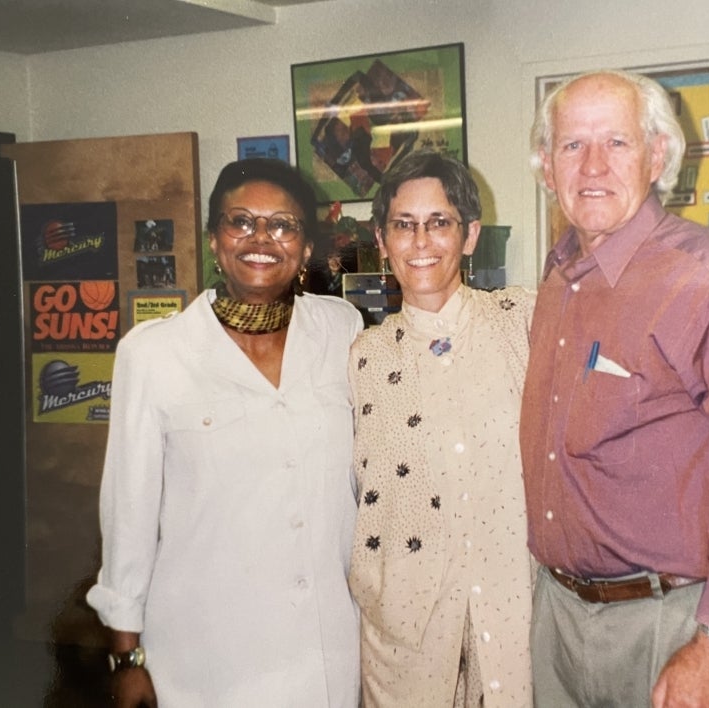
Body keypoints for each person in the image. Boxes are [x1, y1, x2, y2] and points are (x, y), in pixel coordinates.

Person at [521, 69, 709, 707]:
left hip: (680, 622)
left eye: (618, 143)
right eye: (573, 145)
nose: (593, 165)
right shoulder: (558, 280)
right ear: (546, 166)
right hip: (562, 621)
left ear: (658, 156)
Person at [86, 159, 364, 707]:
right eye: (241, 221)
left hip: (325, 645)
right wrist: (126, 655)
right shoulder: (153, 354)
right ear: (215, 240)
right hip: (206, 653)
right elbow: (129, 513)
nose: (262, 238)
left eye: (283, 224)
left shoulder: (341, 329)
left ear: (306, 247)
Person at [348, 150, 536, 707]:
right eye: (403, 226)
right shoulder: (363, 357)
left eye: (439, 223)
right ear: (382, 241)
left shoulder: (522, 321)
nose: (421, 241)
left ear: (470, 234)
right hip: (406, 638)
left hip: (513, 618)